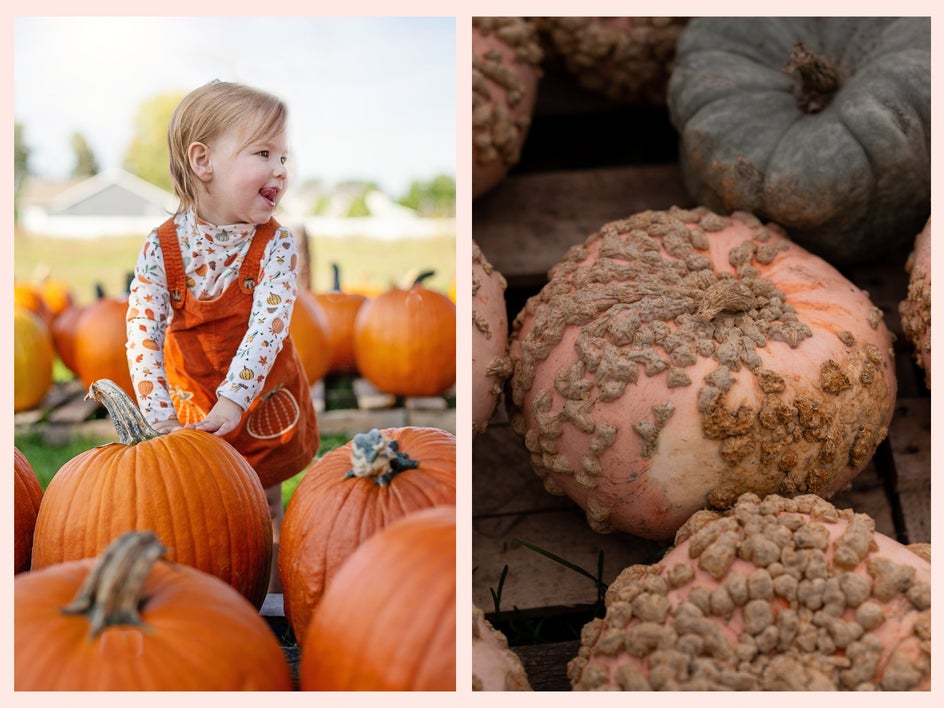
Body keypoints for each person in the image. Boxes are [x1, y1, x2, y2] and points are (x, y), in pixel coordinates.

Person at [125, 80, 320, 591]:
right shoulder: (162, 248)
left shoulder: (275, 245)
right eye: (263, 153)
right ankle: (211, 591)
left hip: (260, 399)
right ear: (203, 161)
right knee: (201, 506)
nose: (281, 169)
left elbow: (267, 328)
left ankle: (270, 599)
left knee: (267, 501)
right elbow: (142, 332)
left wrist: (235, 399)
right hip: (191, 402)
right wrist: (157, 414)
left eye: (284, 156)